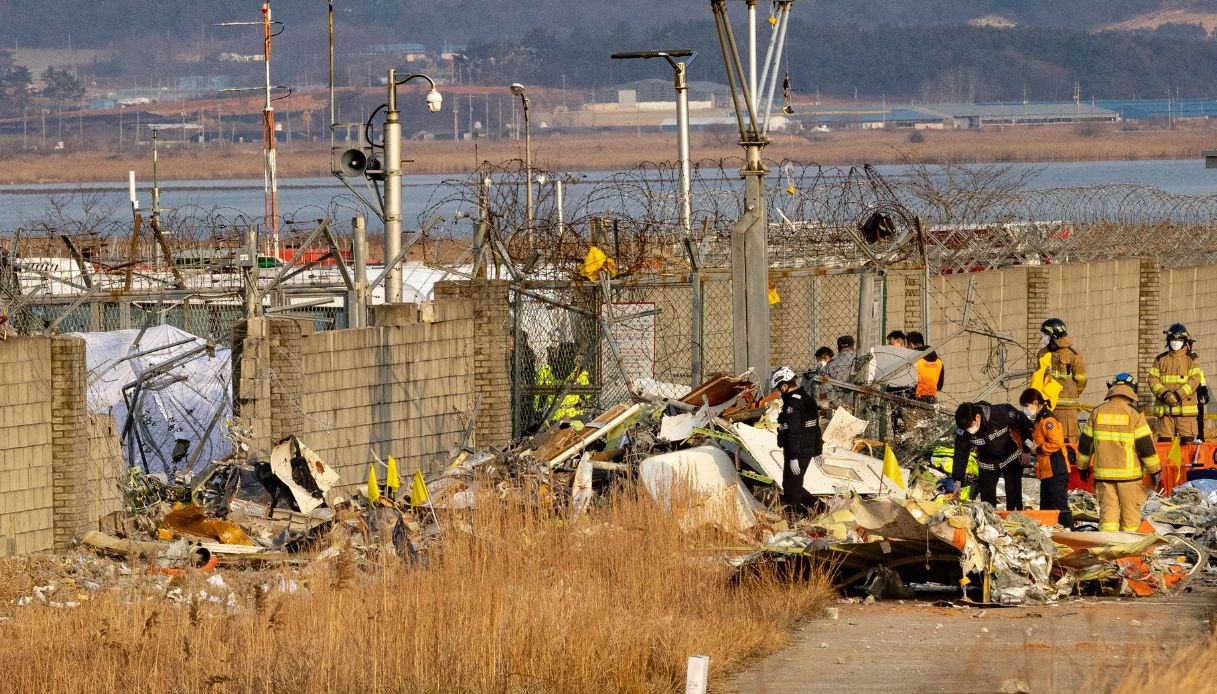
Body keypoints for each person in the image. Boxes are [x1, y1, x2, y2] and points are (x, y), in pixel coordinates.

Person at [1077, 373, 1160, 532]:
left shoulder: (1097, 412)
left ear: (1112, 388)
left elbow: (1085, 444)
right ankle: (1129, 550)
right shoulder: (1134, 414)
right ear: (1131, 391)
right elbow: (1146, 447)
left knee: (1108, 515)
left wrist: (1082, 467)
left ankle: (1109, 549)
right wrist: (1155, 470)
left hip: (1104, 477)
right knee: (1130, 516)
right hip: (1129, 478)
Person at [951, 401, 1033, 510]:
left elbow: (1027, 427)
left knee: (1014, 500)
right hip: (987, 464)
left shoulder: (1002, 413)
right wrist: (958, 480)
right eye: (965, 429)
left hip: (1010, 458)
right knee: (987, 506)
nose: (969, 431)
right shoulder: (963, 430)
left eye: (970, 426)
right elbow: (960, 454)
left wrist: (1027, 450)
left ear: (977, 417)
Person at [772, 366, 823, 517]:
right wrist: (818, 450)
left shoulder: (792, 404)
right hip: (805, 449)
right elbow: (816, 427)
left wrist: (793, 456)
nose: (779, 392)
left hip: (797, 451)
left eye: (779, 389)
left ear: (785, 385)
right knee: (793, 484)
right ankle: (820, 508)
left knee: (791, 489)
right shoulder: (806, 398)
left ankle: (796, 518)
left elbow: (793, 431)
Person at [1019, 388, 1073, 529]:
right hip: (1046, 472)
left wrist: (1037, 449)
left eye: (1026, 406)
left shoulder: (1048, 420)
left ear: (1036, 403)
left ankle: (1070, 534)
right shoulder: (1038, 422)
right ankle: (1052, 535)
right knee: (1046, 509)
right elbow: (1034, 443)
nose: (1025, 410)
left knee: (1059, 508)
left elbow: (1056, 443)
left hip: (1056, 470)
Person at [1149, 323, 1203, 442]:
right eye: (1173, 339)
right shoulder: (1160, 359)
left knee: (1188, 449)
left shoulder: (1192, 359)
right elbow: (1152, 380)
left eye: (1179, 340)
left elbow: (1194, 381)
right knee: (1165, 447)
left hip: (1185, 414)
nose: (1175, 342)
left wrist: (1178, 395)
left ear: (1184, 341)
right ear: (1168, 340)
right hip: (1165, 414)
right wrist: (1166, 394)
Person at [1037, 318, 1087, 442]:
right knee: (1047, 441)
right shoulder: (1042, 353)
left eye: (1046, 335)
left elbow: (1081, 379)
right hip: (1048, 407)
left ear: (1053, 336)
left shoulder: (1073, 355)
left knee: (1066, 442)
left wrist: (1073, 393)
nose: (1043, 337)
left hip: (1066, 410)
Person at [535, 342, 591, 423]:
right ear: (574, 356)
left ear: (558, 353)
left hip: (552, 416)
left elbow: (539, 397)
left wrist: (538, 412)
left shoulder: (546, 371)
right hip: (574, 416)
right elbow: (586, 396)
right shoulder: (580, 373)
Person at [907, 331, 944, 403]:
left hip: (914, 401)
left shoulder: (913, 361)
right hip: (932, 401)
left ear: (911, 345)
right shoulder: (939, 362)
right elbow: (939, 386)